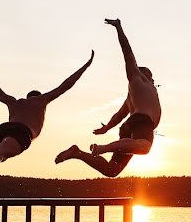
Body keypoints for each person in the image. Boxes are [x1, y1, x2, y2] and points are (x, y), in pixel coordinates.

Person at [0, 52, 94, 200]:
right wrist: (86, 66)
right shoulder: (41, 101)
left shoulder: (15, 102)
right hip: (22, 132)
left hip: (3, 128)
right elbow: (65, 86)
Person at [55, 19, 161, 177]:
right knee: (144, 147)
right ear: (142, 74)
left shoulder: (132, 97)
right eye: (151, 76)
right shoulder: (137, 81)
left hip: (130, 129)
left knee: (111, 170)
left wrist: (106, 128)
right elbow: (128, 53)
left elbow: (120, 116)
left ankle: (77, 153)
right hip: (141, 125)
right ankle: (103, 148)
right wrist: (119, 28)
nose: (153, 80)